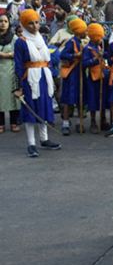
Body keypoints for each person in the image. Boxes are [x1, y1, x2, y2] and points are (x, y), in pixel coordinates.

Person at [14, 10, 61, 156]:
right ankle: (31, 143)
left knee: (44, 107)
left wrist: (52, 80)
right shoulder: (20, 42)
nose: (34, 26)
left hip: (44, 77)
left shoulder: (42, 39)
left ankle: (44, 139)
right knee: (31, 109)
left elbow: (47, 62)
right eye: (30, 23)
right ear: (24, 24)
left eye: (36, 22)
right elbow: (18, 65)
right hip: (30, 79)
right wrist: (19, 87)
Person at [59, 18, 88, 135]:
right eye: (85, 31)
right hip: (71, 75)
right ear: (79, 31)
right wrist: (75, 55)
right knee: (68, 100)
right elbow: (63, 54)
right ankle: (65, 124)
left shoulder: (82, 43)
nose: (86, 33)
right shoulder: (71, 42)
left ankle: (79, 123)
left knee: (81, 100)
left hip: (80, 72)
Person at [81, 23, 110, 134]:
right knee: (93, 100)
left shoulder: (98, 47)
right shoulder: (88, 49)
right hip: (93, 77)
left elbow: (103, 55)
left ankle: (103, 120)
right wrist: (95, 58)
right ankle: (93, 122)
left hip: (102, 75)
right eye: (100, 37)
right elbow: (84, 63)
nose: (101, 39)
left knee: (103, 98)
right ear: (95, 38)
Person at [0, 12, 19, 134]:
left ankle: (13, 123)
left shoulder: (14, 37)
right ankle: (1, 124)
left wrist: (4, 55)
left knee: (13, 97)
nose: (2, 23)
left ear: (9, 23)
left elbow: (17, 52)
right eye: (1, 21)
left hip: (11, 71)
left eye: (5, 21)